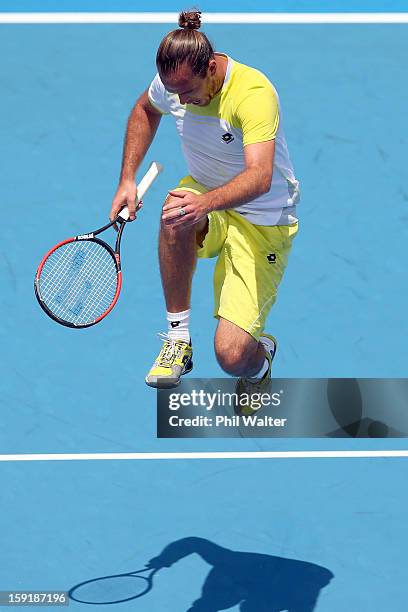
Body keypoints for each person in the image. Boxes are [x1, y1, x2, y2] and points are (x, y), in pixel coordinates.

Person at [110, 10, 300, 406]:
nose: (180, 101)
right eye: (173, 92)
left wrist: (205, 203)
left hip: (262, 219)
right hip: (206, 193)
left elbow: (260, 176)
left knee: (232, 357)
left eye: (188, 92)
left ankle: (260, 362)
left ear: (211, 68)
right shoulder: (176, 82)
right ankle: (178, 338)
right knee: (173, 212)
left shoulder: (253, 94)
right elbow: (146, 109)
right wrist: (128, 178)